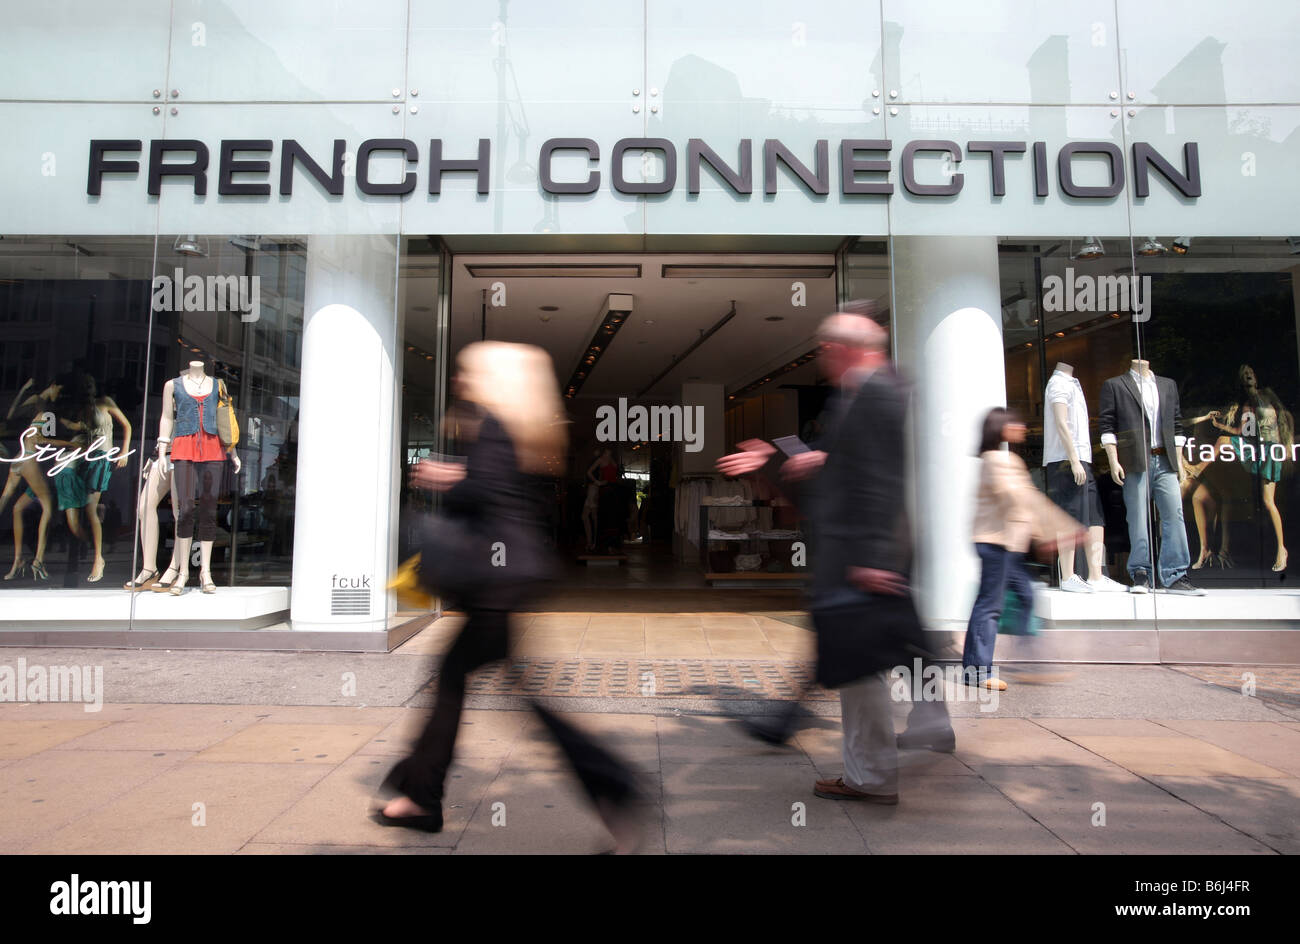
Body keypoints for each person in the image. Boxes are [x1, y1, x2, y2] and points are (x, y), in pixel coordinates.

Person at [375, 342, 643, 853]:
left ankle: (612, 786)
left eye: (468, 372)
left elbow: (490, 491)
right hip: (505, 579)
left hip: (494, 581)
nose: (460, 380)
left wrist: (449, 476)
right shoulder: (519, 429)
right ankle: (420, 794)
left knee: (500, 693)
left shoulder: (493, 424)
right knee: (464, 682)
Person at [719, 306, 953, 805]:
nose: (820, 358)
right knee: (869, 661)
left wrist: (873, 558)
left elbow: (879, 482)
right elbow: (856, 473)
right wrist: (789, 462)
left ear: (840, 349)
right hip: (864, 557)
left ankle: (872, 774)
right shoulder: (868, 392)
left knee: (860, 668)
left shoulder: (875, 394)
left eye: (823, 350)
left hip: (863, 558)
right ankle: (896, 750)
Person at [965, 408, 1083, 691]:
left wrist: (1050, 533)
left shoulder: (1006, 460)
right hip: (997, 544)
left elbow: (1028, 502)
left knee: (1026, 597)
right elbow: (1019, 500)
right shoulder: (996, 461)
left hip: (1009, 544)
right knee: (989, 606)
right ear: (1000, 429)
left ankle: (1030, 663)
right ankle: (977, 671)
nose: (1021, 427)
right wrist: (1051, 535)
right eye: (1014, 423)